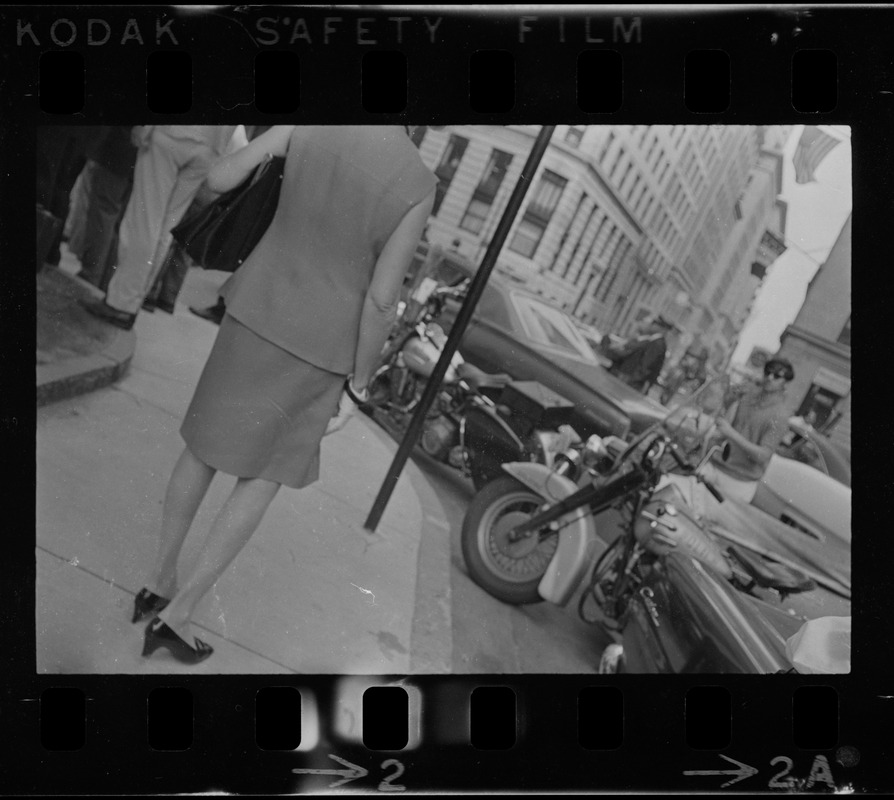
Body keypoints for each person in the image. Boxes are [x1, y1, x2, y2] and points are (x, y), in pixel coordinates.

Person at [133, 125, 436, 665]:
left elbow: (222, 176)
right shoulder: (416, 181)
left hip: (255, 304)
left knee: (202, 447)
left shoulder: (312, 122)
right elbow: (383, 298)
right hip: (321, 342)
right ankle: (177, 615)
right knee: (264, 474)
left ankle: (157, 580)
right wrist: (361, 380)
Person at [81, 125, 245, 330]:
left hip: (173, 132)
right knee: (166, 228)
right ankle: (133, 301)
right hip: (210, 147)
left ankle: (121, 302)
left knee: (144, 221)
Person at [74, 126, 139, 290]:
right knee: (118, 221)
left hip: (116, 154)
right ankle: (105, 278)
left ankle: (92, 271)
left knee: (103, 214)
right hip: (137, 160)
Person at [608, 315, 674, 393]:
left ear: (662, 329)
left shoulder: (657, 344)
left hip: (635, 383)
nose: (652, 326)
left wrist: (631, 380)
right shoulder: (655, 341)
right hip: (633, 380)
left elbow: (645, 366)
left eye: (655, 324)